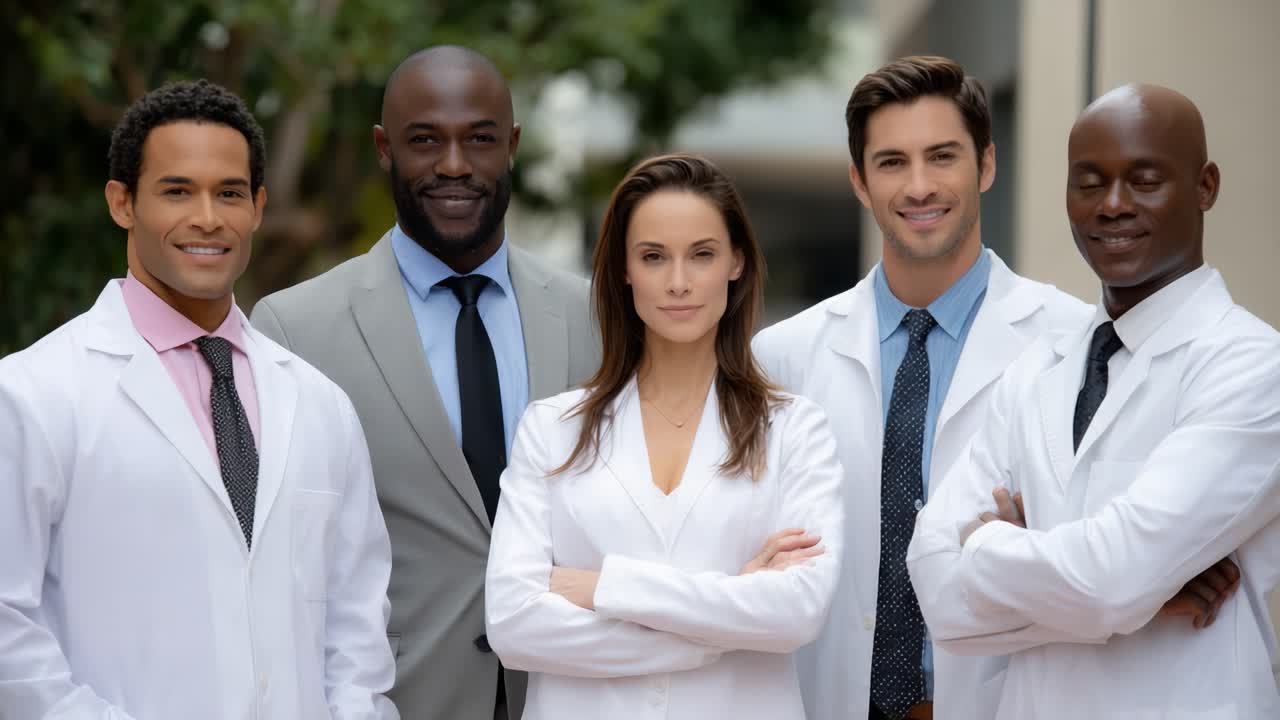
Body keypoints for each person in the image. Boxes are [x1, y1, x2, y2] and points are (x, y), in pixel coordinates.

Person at [0, 79, 397, 718]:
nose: (208, 217)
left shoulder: (321, 405)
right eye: (177, 190)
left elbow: (357, 622)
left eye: (230, 193)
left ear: (259, 206)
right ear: (122, 202)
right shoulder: (31, 396)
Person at [908, 83, 1280, 718]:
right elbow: (936, 588)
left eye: (1144, 179)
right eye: (1089, 182)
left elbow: (1111, 581)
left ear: (1205, 187)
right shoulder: (1036, 370)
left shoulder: (1250, 366)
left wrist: (988, 547)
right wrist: (1141, 595)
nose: (1112, 205)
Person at [251, 46, 597, 720]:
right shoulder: (294, 331)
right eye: (424, 141)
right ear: (384, 149)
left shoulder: (599, 318)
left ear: (514, 145)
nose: (454, 165)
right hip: (393, 700)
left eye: (480, 139)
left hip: (569, 693)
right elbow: (283, 566)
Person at [752, 55, 1096, 720]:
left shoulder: (1070, 343)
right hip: (827, 700)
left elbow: (1101, 552)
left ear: (986, 166)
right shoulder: (783, 358)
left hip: (1005, 699)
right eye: (891, 162)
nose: (919, 186)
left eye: (942, 157)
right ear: (859, 180)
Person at [483, 153, 844, 719]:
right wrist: (727, 611)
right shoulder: (553, 429)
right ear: (624, 270)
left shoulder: (794, 428)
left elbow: (797, 611)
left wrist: (605, 588)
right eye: (654, 257)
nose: (678, 282)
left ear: (737, 262)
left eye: (701, 255)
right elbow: (513, 625)